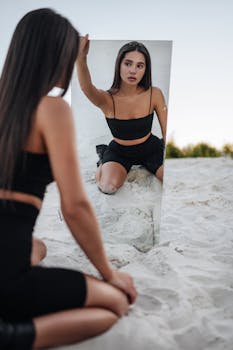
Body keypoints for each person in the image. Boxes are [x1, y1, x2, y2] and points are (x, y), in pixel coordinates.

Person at [0, 8, 137, 350]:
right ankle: (12, 337)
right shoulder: (51, 109)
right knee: (114, 303)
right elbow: (74, 206)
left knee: (38, 246)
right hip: (6, 282)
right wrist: (109, 273)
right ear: (55, 55)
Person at [76, 36, 167, 195]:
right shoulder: (107, 99)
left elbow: (167, 130)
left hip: (151, 148)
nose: (133, 70)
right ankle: (103, 163)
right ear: (119, 65)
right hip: (120, 151)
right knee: (108, 187)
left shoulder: (155, 94)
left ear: (146, 69)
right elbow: (86, 88)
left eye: (140, 66)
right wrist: (81, 58)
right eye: (128, 64)